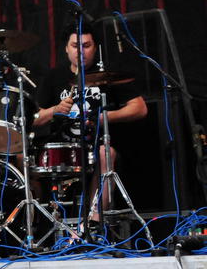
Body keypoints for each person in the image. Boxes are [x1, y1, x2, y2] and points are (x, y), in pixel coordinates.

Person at [33, 23, 148, 220]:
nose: (80, 51)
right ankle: (38, 224)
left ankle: (94, 221)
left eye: (86, 46)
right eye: (75, 46)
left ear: (95, 48)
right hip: (63, 149)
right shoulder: (54, 77)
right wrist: (55, 109)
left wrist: (104, 117)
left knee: (105, 153)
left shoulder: (108, 74)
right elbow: (34, 119)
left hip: (96, 145)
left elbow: (140, 108)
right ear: (66, 48)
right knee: (22, 159)